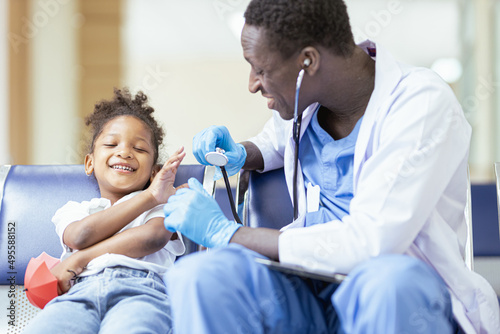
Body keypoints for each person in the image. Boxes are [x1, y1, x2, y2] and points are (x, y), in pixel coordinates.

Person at [163, 1, 500, 333]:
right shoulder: (307, 101)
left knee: (389, 285)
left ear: (308, 61)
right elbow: (277, 142)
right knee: (199, 278)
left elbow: (372, 241)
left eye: (261, 69)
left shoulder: (420, 103)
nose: (252, 83)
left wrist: (230, 234)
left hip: (392, 287)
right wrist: (242, 153)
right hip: (312, 287)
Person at [23, 88, 186, 334]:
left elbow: (151, 238)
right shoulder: (75, 210)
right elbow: (80, 236)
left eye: (140, 149)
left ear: (154, 172)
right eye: (111, 144)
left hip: (143, 294)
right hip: (79, 293)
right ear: (89, 163)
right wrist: (150, 195)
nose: (124, 152)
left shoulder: (164, 205)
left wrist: (153, 196)